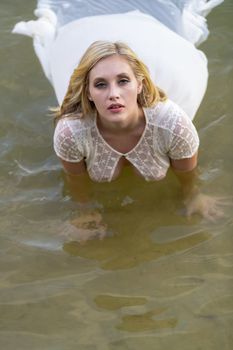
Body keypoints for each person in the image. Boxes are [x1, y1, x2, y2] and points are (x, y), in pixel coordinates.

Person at [53, 40, 227, 222]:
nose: (113, 93)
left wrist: (193, 196)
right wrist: (84, 212)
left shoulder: (173, 126)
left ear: (139, 85)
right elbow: (75, 181)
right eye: (100, 84)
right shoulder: (70, 133)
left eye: (123, 81)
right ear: (88, 92)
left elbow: (188, 174)